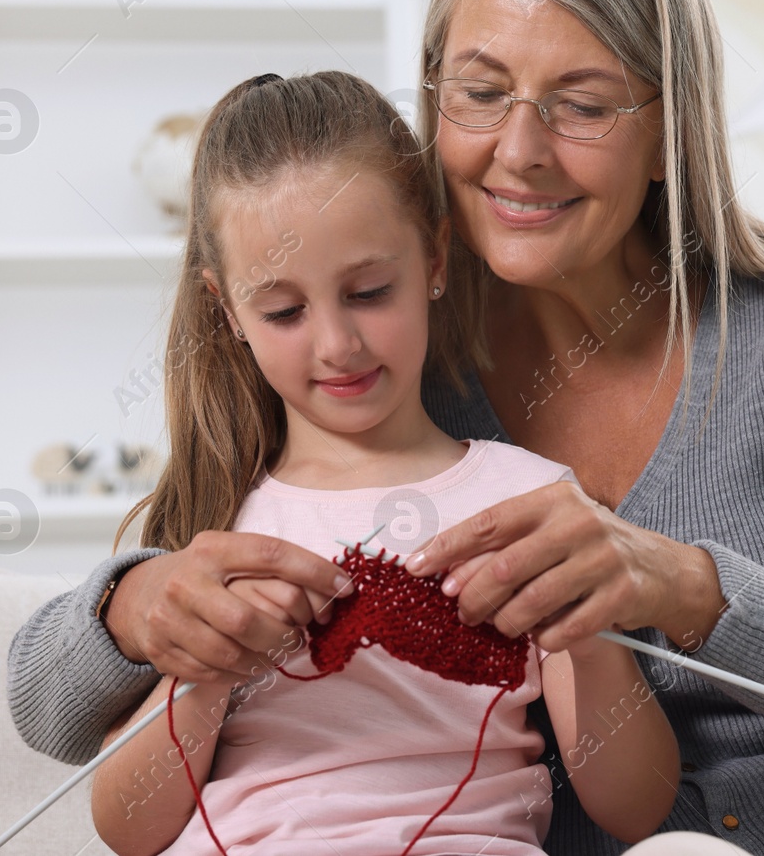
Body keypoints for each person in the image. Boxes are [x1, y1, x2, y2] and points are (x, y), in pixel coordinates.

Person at [9, 0, 764, 856]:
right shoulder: (380, 359)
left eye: (583, 103)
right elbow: (48, 708)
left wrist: (684, 585)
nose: (520, 150)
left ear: (666, 133)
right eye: (482, 91)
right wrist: (137, 604)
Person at [88, 69, 680, 856]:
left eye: (369, 291)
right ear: (226, 308)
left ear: (435, 257)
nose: (337, 344)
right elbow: (125, 827)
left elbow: (636, 808)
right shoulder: (218, 526)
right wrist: (213, 668)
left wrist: (587, 632)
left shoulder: (532, 502)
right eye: (284, 311)